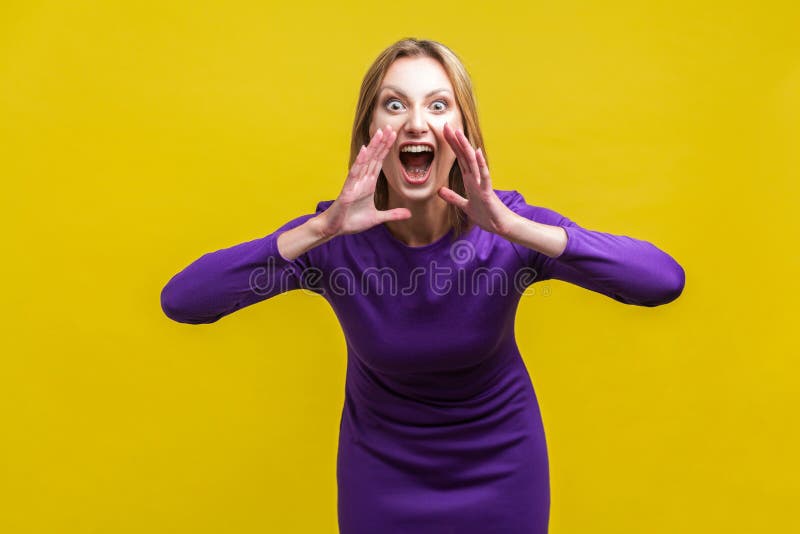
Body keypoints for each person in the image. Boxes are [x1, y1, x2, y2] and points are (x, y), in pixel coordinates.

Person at [160, 38, 685, 534]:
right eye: (395, 105)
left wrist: (515, 228)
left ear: (464, 129)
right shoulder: (333, 238)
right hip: (380, 478)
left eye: (438, 106)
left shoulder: (506, 229)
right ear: (369, 131)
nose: (417, 122)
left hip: (502, 470)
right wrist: (316, 231)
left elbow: (661, 281)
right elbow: (183, 301)